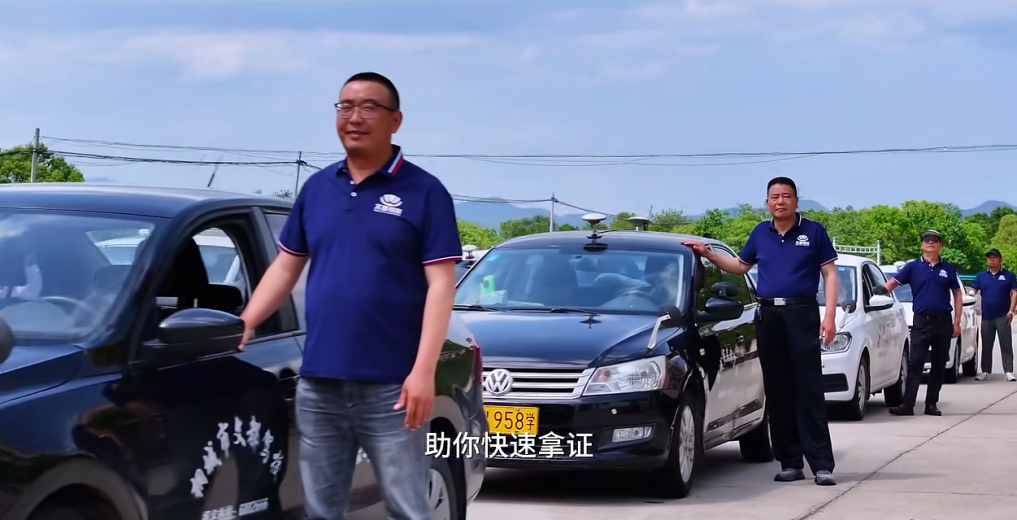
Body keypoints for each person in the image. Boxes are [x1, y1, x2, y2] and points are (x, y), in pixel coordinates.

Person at [238, 72, 462, 520]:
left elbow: (441, 285)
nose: (354, 117)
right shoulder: (319, 189)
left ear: (395, 120)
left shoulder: (425, 192)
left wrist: (423, 373)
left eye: (368, 107)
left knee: (407, 508)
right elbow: (285, 266)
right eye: (345, 106)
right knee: (322, 510)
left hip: (393, 386)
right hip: (320, 381)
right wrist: (246, 321)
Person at [683, 176, 840, 487]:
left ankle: (822, 465)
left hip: (801, 312)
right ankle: (790, 462)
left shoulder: (813, 232)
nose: (780, 201)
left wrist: (830, 316)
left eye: (786, 196)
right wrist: (708, 254)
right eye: (774, 197)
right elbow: (741, 266)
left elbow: (830, 273)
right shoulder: (760, 233)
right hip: (768, 314)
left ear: (796, 201)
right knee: (777, 390)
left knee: (808, 389)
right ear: (767, 202)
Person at [883, 230, 963, 416]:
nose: (930, 242)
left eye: (935, 240)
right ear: (922, 244)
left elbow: (958, 294)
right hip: (921, 322)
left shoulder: (948, 269)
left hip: (943, 323)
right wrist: (880, 290)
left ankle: (931, 404)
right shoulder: (912, 267)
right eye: (927, 240)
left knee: (938, 365)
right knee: (916, 364)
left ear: (941, 245)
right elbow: (892, 284)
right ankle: (908, 405)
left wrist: (957, 322)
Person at [972, 248, 1017, 382]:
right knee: (986, 345)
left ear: (1000, 260)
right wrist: (969, 296)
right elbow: (974, 290)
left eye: (995, 257)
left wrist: (1011, 311)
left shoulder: (1009, 276)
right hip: (987, 316)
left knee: (1006, 344)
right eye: (990, 257)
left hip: (1003, 315)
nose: (992, 259)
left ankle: (1008, 371)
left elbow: (1014, 293)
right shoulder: (981, 277)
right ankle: (985, 371)